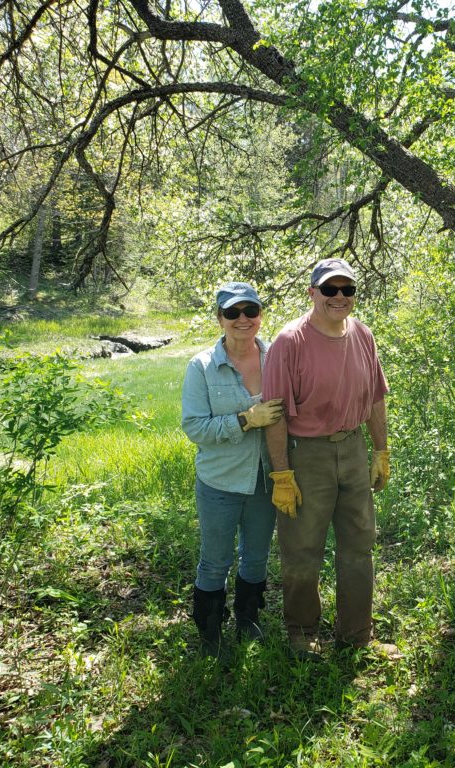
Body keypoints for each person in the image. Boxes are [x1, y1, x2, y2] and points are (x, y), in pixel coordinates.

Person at [262, 258, 397, 660]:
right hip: (308, 455)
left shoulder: (362, 334)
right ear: (312, 292)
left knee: (359, 545)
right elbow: (275, 413)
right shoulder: (290, 341)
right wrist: (282, 475)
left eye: (347, 290)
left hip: (353, 449)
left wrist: (381, 450)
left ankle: (357, 633)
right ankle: (302, 633)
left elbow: (375, 397)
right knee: (302, 548)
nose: (339, 297)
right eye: (329, 289)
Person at [181, 282, 284, 657]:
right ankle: (210, 633)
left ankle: (248, 619)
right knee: (215, 560)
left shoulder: (278, 357)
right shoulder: (202, 366)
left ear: (260, 315)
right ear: (220, 319)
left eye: (250, 311)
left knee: (256, 556)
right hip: (219, 482)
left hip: (265, 480)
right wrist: (245, 420)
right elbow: (194, 427)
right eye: (233, 313)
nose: (243, 320)